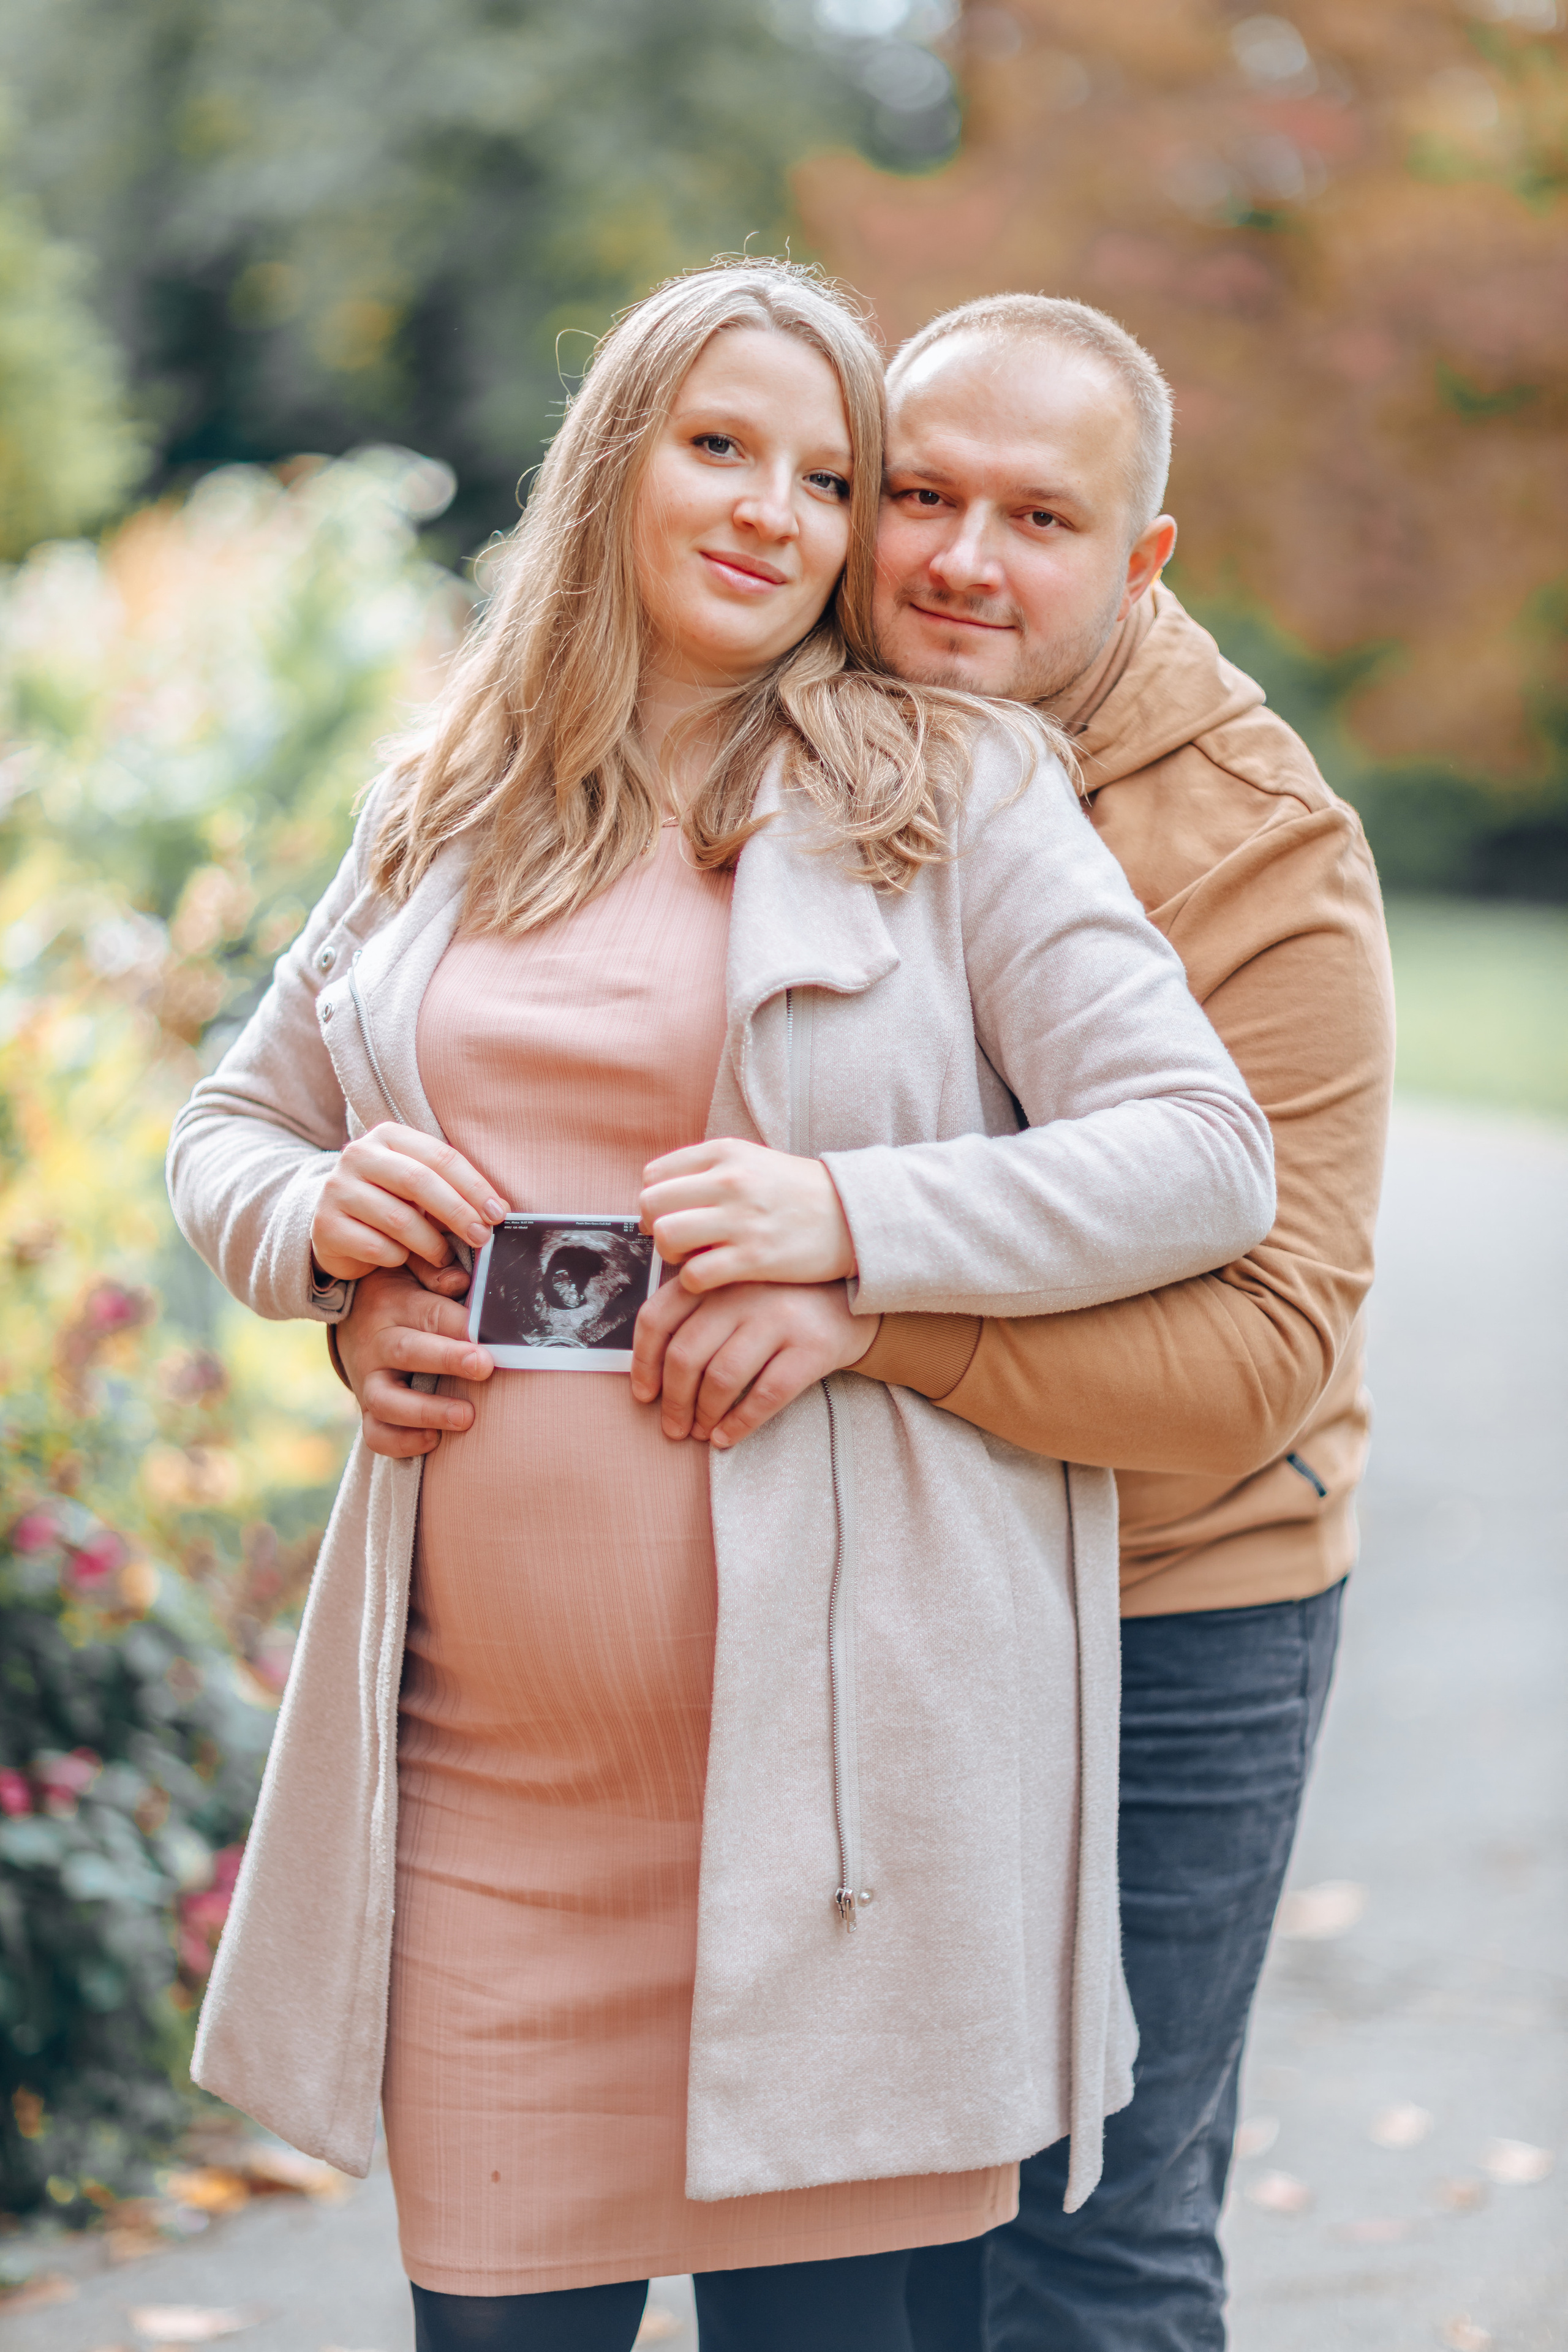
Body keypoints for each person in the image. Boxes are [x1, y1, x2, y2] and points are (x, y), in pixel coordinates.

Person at [167, 263, 1276, 2352]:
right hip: (490, 1806)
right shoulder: (448, 791)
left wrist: (854, 1223)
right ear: (620, 469)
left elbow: (1205, 1155)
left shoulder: (950, 793)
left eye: (832, 473)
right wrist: (317, 1231)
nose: (778, 508)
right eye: (722, 446)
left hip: (842, 1834)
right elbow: (231, 1121)